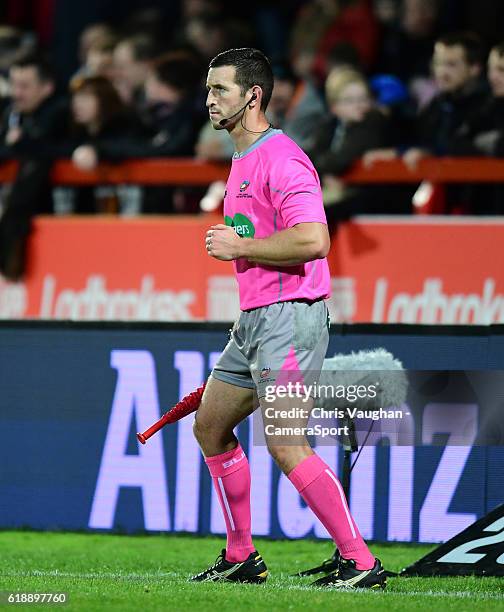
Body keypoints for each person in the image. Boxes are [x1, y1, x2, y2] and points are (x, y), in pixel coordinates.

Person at [191, 47, 386, 590]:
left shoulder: (282, 158)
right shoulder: (242, 158)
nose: (209, 99)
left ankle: (360, 562)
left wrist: (239, 246)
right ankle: (240, 556)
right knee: (210, 427)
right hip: (254, 319)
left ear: (252, 95)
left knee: (285, 441)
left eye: (220, 90)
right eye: (208, 89)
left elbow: (314, 240)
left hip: (291, 318)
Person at [0, 53, 68, 279]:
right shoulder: (10, 113)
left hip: (55, 215)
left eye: (25, 86)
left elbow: (54, 149)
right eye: (13, 85)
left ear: (46, 88)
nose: (16, 94)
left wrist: (24, 144)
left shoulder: (61, 114)